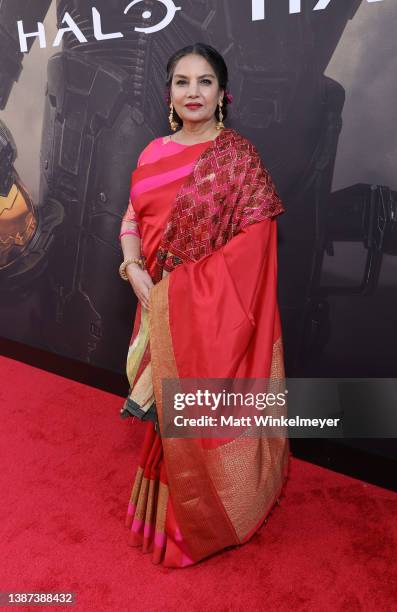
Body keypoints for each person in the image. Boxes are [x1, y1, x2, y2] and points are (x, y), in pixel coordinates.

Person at [118, 43, 290, 568]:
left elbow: (257, 240)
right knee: (165, 417)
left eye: (205, 82)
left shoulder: (237, 158)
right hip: (156, 302)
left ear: (222, 94)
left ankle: (199, 522)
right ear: (169, 93)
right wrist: (135, 271)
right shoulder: (152, 152)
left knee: (197, 414)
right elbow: (131, 218)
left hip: (205, 315)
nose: (193, 92)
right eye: (182, 82)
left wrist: (181, 292)